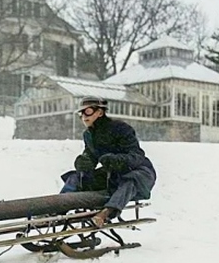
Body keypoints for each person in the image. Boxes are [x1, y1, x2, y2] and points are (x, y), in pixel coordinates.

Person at [60, 96, 156, 227]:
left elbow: (137, 155)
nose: (84, 116)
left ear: (100, 112)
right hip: (111, 175)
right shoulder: (88, 135)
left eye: (87, 111)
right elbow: (90, 156)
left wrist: (118, 160)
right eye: (81, 113)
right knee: (75, 177)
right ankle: (57, 209)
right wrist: (84, 162)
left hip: (139, 171)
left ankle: (106, 213)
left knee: (130, 180)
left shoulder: (120, 128)